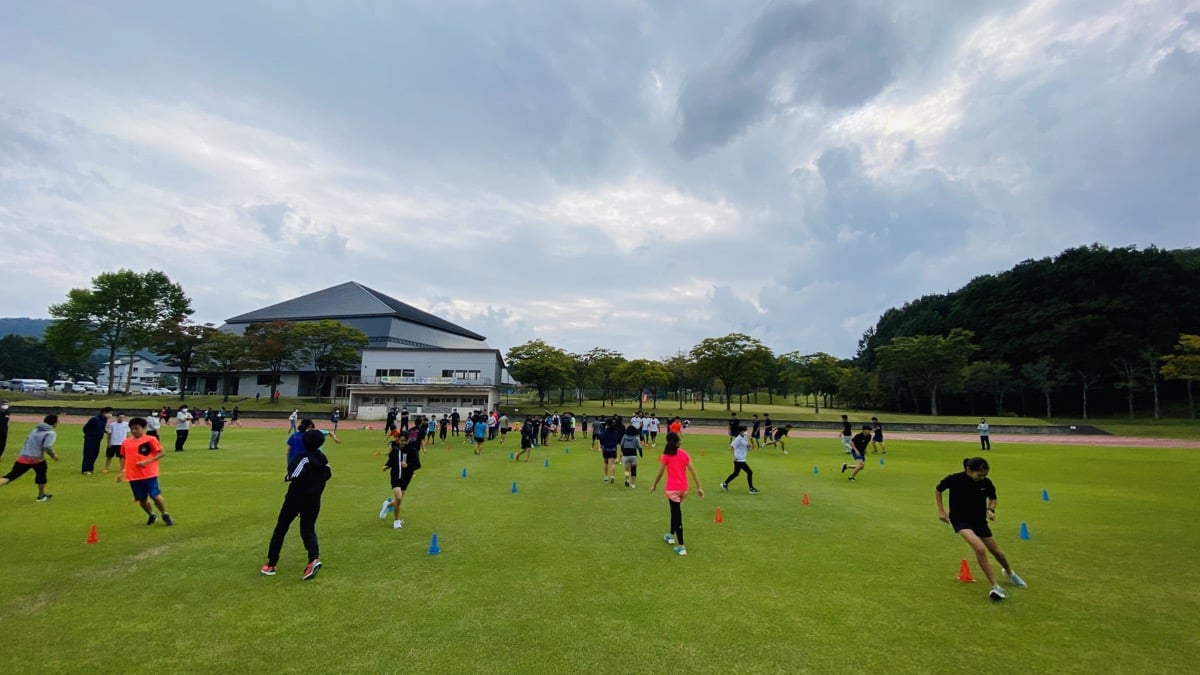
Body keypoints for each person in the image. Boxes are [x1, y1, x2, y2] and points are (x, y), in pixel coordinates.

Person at [936, 457, 1027, 601]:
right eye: (979, 475)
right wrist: (941, 511)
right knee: (979, 548)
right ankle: (996, 586)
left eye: (985, 475)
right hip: (960, 520)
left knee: (997, 552)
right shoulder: (955, 479)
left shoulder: (986, 483)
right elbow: (938, 489)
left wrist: (991, 510)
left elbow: (993, 498)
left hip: (979, 521)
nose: (982, 478)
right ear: (969, 470)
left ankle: (1009, 573)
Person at [262, 429, 331, 580]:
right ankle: (313, 559)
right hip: (314, 500)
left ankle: (271, 564)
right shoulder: (323, 458)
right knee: (308, 530)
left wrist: (288, 477)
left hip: (296, 499)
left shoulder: (303, 457)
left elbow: (295, 474)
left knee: (281, 528)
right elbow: (328, 474)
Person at [649, 432, 704, 556]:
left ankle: (681, 546)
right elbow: (693, 472)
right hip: (683, 490)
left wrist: (654, 485)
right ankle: (671, 535)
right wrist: (699, 487)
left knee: (676, 514)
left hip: (672, 490)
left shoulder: (666, 455)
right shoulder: (684, 454)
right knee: (674, 511)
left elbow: (660, 473)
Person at [116, 417, 174, 526]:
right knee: (141, 499)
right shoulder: (126, 443)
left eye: (136, 428)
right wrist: (121, 472)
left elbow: (162, 452)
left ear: (143, 428)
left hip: (149, 473)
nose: (134, 431)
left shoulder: (150, 439)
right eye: (132, 429)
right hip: (133, 475)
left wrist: (148, 461)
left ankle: (165, 514)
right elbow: (123, 457)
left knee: (154, 495)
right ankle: (151, 514)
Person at [0, 414, 60, 501]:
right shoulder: (51, 433)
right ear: (54, 423)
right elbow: (47, 446)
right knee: (41, 475)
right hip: (37, 459)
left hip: (23, 457)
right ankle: (41, 496)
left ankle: (42, 495)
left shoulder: (35, 430)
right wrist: (54, 455)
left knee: (11, 476)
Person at [379, 437, 421, 530]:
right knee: (398, 497)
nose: (403, 442)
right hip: (395, 476)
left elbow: (418, 465)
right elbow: (392, 460)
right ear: (399, 440)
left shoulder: (412, 450)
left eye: (405, 441)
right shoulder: (395, 450)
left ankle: (387, 505)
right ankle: (396, 522)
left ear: (408, 441)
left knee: (399, 500)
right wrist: (387, 466)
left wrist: (408, 465)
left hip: (406, 478)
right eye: (401, 440)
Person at [721, 426, 759, 494]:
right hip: (739, 460)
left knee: (736, 473)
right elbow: (732, 446)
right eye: (745, 431)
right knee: (749, 472)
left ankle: (724, 484)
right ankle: (751, 488)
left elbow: (744, 445)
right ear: (741, 431)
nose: (746, 432)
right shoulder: (738, 439)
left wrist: (749, 446)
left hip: (742, 459)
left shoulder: (744, 437)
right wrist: (734, 456)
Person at [81, 407, 113, 474]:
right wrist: (90, 435)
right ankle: (85, 469)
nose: (110, 415)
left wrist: (105, 431)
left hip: (98, 440)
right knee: (88, 454)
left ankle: (90, 469)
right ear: (104, 412)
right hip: (90, 439)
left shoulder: (104, 419)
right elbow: (85, 428)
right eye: (110, 413)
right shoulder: (95, 419)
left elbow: (101, 428)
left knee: (94, 454)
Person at [619, 423, 642, 488]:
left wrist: (623, 451)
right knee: (634, 469)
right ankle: (633, 484)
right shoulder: (636, 438)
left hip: (626, 454)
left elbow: (622, 445)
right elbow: (639, 447)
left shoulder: (624, 436)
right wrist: (641, 453)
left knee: (627, 469)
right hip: (633, 454)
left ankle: (627, 477)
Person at [599, 418, 622, 483]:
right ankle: (612, 476)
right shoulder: (615, 432)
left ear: (607, 424)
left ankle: (606, 476)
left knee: (605, 462)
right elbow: (617, 439)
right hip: (613, 449)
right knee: (612, 463)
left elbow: (600, 437)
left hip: (605, 449)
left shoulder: (604, 431)